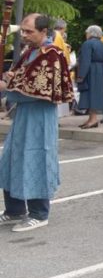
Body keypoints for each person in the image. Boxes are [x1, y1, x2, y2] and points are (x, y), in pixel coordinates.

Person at [0, 14, 73, 231]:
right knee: (12, 159)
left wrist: (6, 88)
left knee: (37, 158)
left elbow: (41, 89)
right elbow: (17, 75)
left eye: (29, 31)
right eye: (22, 31)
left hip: (40, 116)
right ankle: (14, 210)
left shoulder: (52, 54)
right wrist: (6, 80)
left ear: (43, 31)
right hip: (23, 115)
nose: (24, 35)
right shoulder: (29, 51)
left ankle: (39, 213)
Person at [76, 25, 103, 129]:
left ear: (90, 33)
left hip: (91, 70)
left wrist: (81, 75)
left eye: (87, 32)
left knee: (90, 94)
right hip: (100, 70)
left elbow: (85, 60)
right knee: (95, 94)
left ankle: (93, 119)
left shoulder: (87, 44)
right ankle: (91, 119)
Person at [51, 19, 72, 118]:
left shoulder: (56, 36)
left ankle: (59, 114)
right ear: (63, 28)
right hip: (58, 67)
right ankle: (56, 115)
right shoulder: (57, 36)